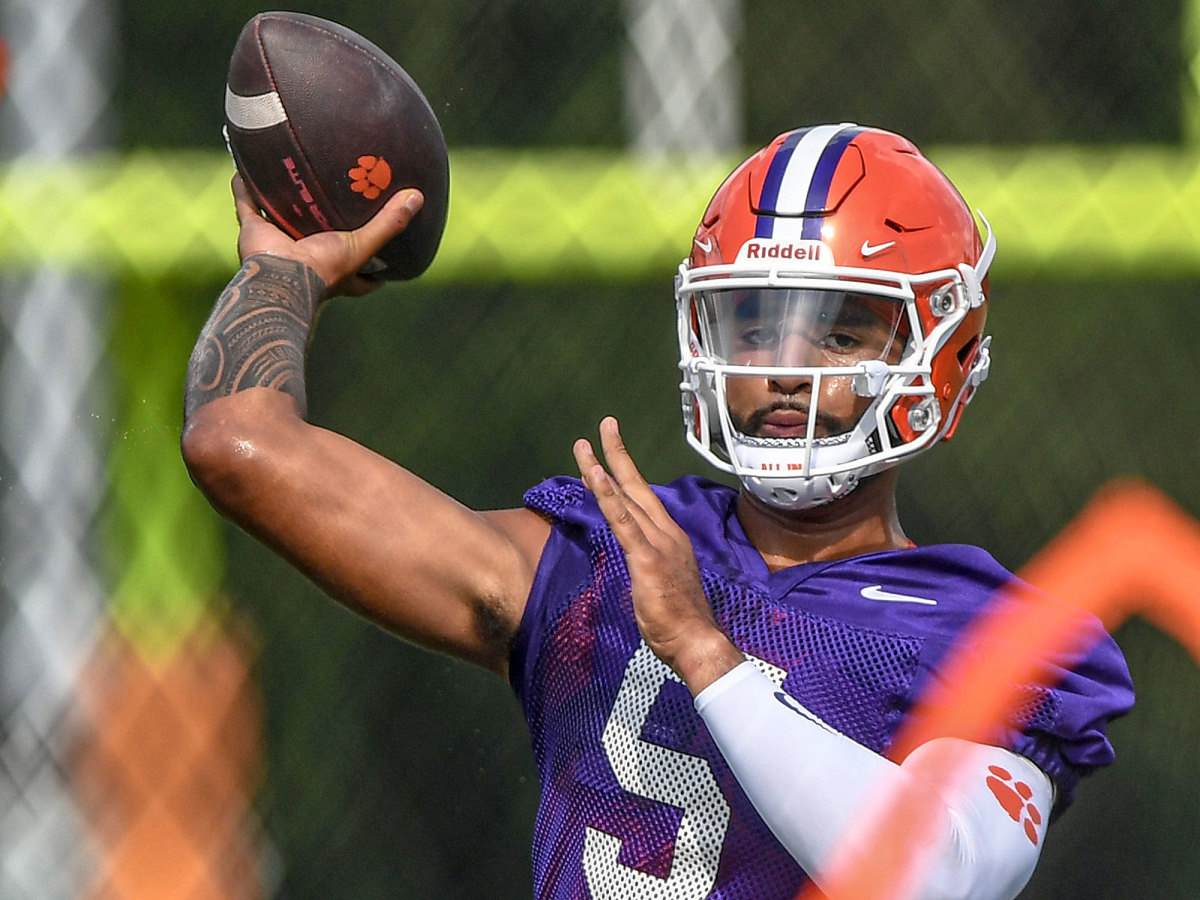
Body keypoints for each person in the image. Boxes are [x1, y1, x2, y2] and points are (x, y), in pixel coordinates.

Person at [182, 123, 1134, 899]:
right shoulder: (606, 553)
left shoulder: (992, 633)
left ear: (943, 356)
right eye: (755, 326)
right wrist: (283, 273)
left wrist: (708, 658)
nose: (783, 372)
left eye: (838, 332)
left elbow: (933, 879)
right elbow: (239, 447)